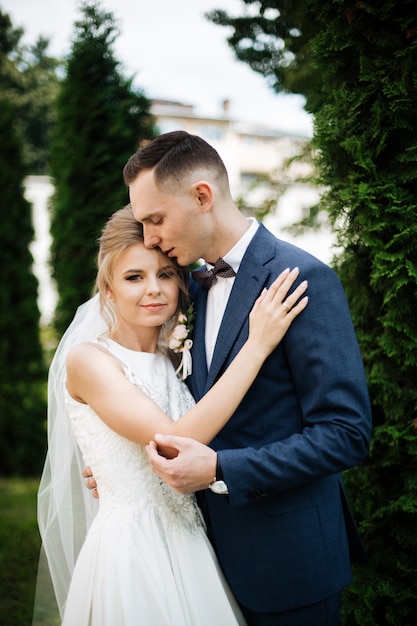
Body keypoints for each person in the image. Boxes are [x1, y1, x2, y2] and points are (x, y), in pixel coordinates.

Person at [114, 131, 371, 626]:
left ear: (202, 197)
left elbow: (346, 434)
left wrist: (220, 470)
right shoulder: (184, 284)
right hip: (197, 563)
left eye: (155, 219)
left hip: (287, 565)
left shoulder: (301, 279)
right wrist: (131, 466)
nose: (148, 239)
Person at [36, 204, 308, 626]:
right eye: (133, 277)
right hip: (133, 554)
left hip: (194, 541)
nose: (154, 290)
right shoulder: (89, 360)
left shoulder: (178, 357)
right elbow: (174, 442)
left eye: (165, 274)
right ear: (107, 290)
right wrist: (257, 345)